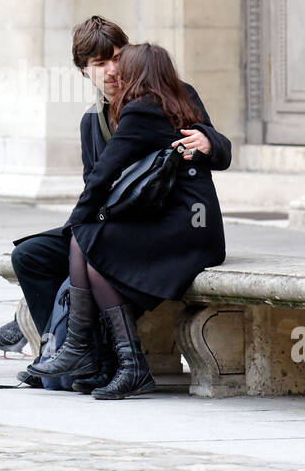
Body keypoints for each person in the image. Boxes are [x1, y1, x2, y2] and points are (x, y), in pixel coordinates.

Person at [30, 41, 231, 399]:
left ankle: (94, 352)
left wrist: (209, 141)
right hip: (195, 226)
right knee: (80, 249)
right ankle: (116, 362)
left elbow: (102, 175)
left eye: (120, 62)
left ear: (138, 71)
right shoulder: (170, 100)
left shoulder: (144, 110)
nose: (114, 71)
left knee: (88, 245)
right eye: (102, 63)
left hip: (181, 228)